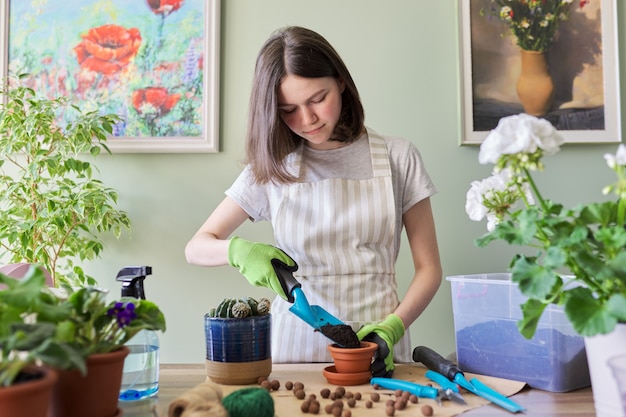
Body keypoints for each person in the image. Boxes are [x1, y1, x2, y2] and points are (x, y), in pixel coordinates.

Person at [185, 26, 442, 377]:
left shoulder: (399, 157)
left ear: (341, 82)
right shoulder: (272, 168)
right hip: (293, 352)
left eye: (317, 99)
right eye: (288, 109)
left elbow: (429, 269)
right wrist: (238, 251)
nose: (307, 120)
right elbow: (196, 247)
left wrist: (393, 327)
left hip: (378, 349)